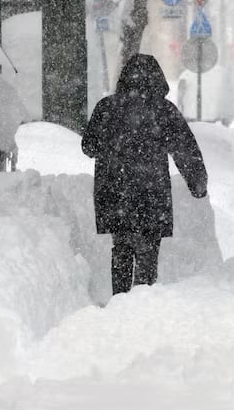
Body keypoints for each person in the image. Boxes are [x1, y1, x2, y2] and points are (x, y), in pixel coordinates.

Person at [81, 53, 208, 297]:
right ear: (157, 79)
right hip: (151, 194)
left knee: (121, 248)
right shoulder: (164, 111)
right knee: (148, 250)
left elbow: (89, 147)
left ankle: (120, 299)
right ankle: (143, 299)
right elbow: (185, 149)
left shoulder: (107, 107)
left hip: (115, 193)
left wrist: (114, 146)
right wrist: (197, 183)